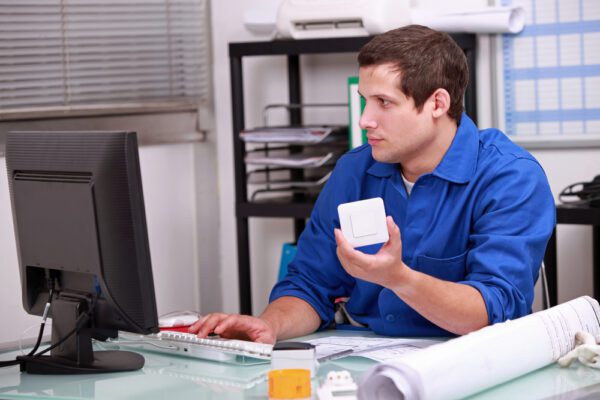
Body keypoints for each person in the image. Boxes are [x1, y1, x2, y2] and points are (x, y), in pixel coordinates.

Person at [189, 25, 556, 343]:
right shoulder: (354, 171)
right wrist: (267, 325)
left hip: (467, 365)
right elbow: (310, 285)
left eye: (384, 102)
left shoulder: (511, 177)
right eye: (364, 101)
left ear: (437, 103)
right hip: (365, 357)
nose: (365, 119)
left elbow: (493, 309)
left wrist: (398, 278)